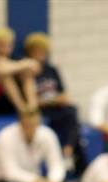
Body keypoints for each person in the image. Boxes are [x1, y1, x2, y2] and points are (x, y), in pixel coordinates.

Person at [24, 32, 82, 171]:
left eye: (43, 51)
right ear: (30, 52)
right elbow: (33, 101)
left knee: (72, 111)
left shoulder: (52, 69)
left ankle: (68, 149)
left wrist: (54, 100)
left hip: (56, 107)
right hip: (42, 110)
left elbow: (63, 94)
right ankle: (67, 157)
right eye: (37, 51)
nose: (40, 54)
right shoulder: (27, 72)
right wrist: (51, 100)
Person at [0, 107, 65, 182]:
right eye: (27, 124)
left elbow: (56, 164)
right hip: (6, 181)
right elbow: (10, 172)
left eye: (34, 124)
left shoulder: (47, 134)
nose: (31, 128)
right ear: (21, 122)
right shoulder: (5, 137)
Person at [0, 27, 39, 115]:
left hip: (16, 99)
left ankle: (32, 108)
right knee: (5, 77)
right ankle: (22, 110)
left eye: (6, 44)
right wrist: (21, 65)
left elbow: (35, 66)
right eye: (0, 44)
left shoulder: (17, 58)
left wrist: (11, 66)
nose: (3, 47)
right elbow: (0, 70)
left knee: (27, 75)